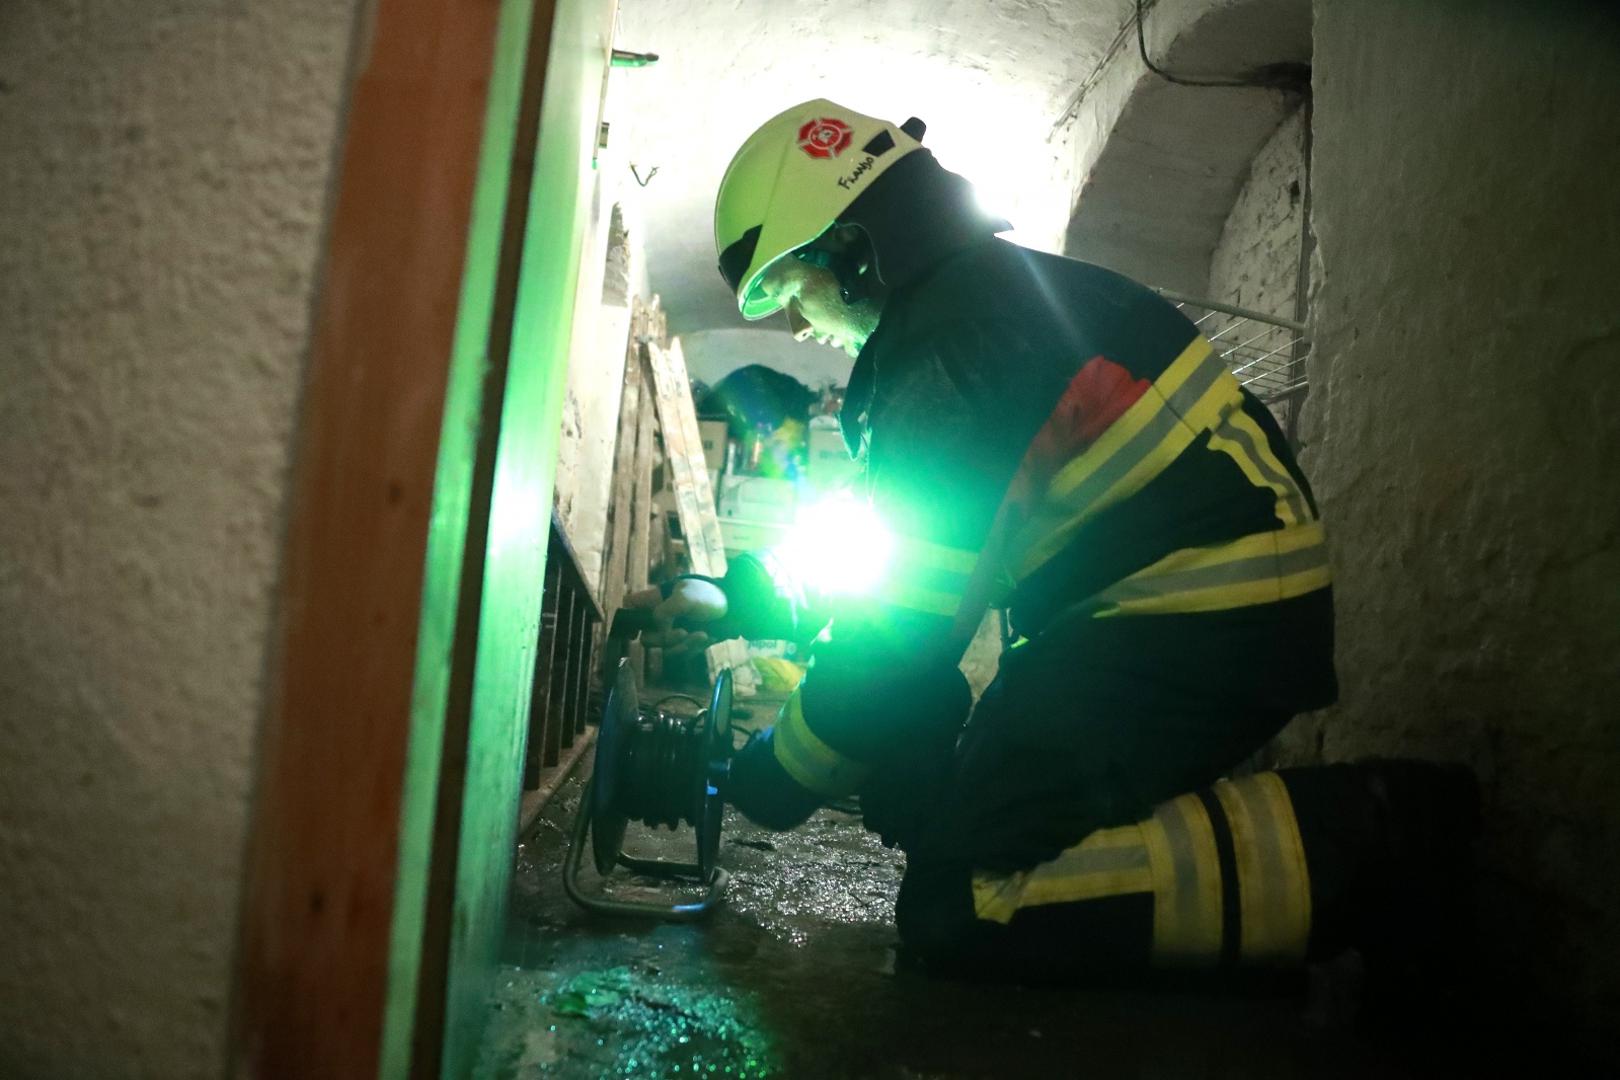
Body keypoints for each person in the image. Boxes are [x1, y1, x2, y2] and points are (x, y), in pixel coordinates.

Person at [632, 99, 1473, 977]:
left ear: (850, 248)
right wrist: (738, 594)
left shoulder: (956, 344)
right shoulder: (975, 310)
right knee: (954, 809)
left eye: (790, 290)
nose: (799, 328)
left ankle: (1379, 837)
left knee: (968, 899)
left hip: (1191, 621)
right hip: (1185, 611)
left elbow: (899, 636)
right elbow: (892, 552)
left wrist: (778, 774)